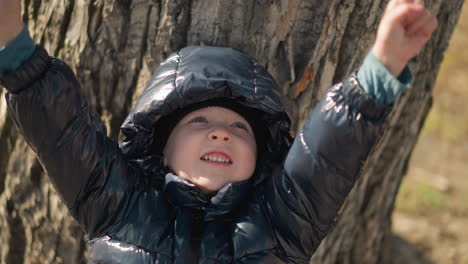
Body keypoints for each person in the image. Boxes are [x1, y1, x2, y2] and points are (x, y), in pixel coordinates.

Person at [0, 0, 437, 263]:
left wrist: (380, 71)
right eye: (199, 122)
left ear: (261, 158)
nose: (220, 134)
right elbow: (63, 130)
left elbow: (325, 157)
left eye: (239, 128)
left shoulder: (279, 225)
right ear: (162, 151)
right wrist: (14, 47)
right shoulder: (120, 208)